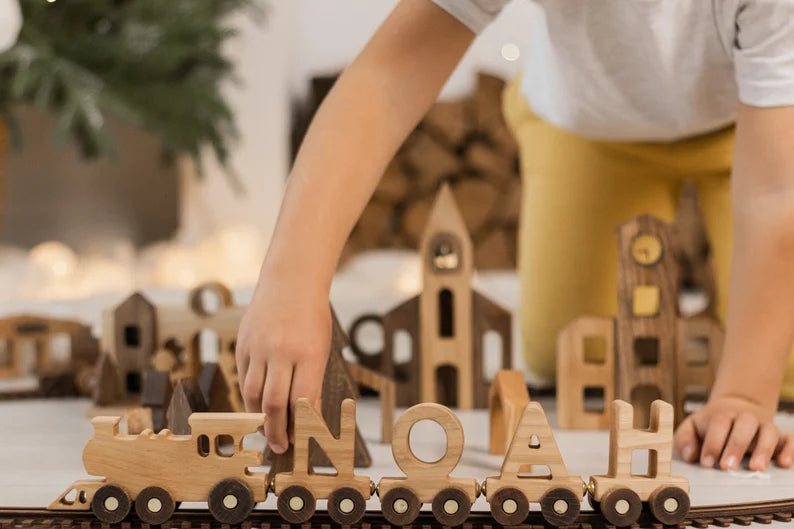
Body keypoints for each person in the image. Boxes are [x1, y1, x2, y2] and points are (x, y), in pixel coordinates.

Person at [236, 0, 794, 471]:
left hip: (760, 128)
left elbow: (775, 195)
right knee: (570, 352)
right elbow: (384, 81)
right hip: (588, 126)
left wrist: (744, 394)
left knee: (780, 369)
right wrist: (292, 282)